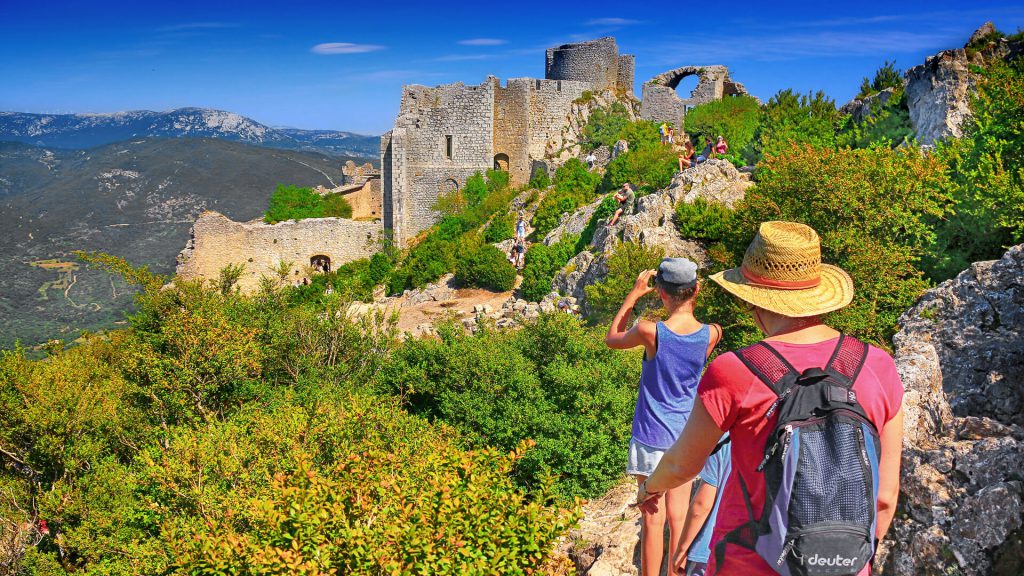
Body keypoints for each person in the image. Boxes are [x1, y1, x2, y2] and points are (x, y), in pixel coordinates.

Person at [635, 221, 905, 576]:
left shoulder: (735, 370)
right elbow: (884, 498)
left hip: (748, 562)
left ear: (754, 301)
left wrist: (650, 490)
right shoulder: (878, 366)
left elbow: (682, 465)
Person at [604, 258, 722, 576]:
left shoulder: (650, 332)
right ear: (696, 289)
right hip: (685, 437)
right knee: (678, 516)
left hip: (651, 436)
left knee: (651, 518)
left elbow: (612, 338)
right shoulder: (712, 334)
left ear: (661, 293)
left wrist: (633, 295)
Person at [674, 436, 731, 576]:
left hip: (709, 551)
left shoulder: (723, 442)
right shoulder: (780, 443)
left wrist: (682, 549)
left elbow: (701, 506)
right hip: (753, 554)